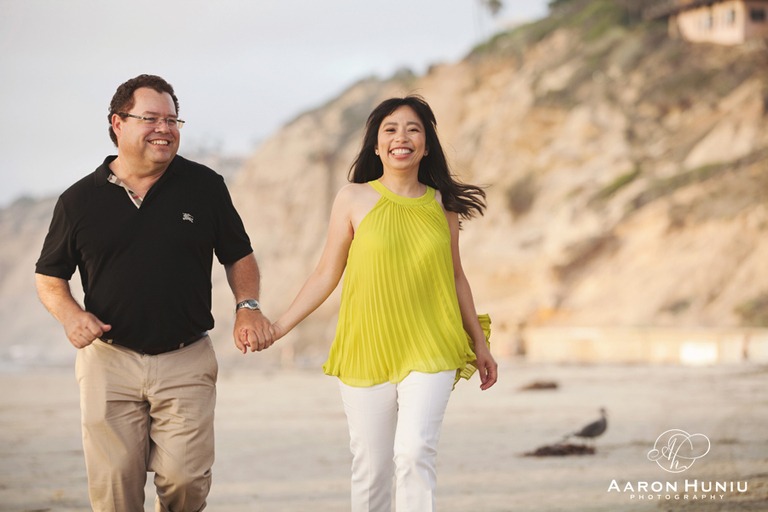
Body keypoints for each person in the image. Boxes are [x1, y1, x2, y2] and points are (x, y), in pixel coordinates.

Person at [34, 74, 274, 512]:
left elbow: (239, 255)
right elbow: (50, 277)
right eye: (152, 118)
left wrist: (248, 307)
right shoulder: (78, 201)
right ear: (117, 123)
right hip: (109, 362)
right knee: (115, 492)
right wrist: (70, 315)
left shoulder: (204, 187)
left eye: (172, 119)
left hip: (186, 358)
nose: (165, 128)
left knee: (186, 483)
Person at [268, 95, 498, 512]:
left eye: (413, 129)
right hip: (366, 344)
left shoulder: (440, 207)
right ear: (376, 145)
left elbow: (456, 277)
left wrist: (479, 344)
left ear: (427, 145)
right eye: (390, 129)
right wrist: (280, 326)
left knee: (414, 453)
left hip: (431, 344)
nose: (401, 137)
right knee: (371, 467)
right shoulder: (352, 198)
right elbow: (325, 273)